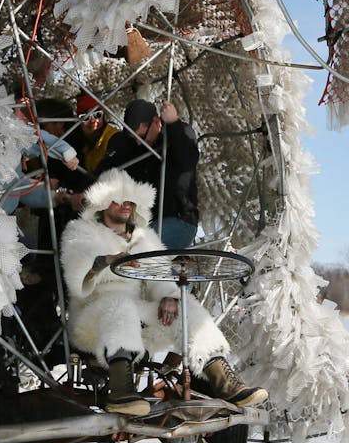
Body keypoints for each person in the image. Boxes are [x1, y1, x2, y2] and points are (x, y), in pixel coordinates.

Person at [60, 168, 267, 415]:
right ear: (103, 203)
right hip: (94, 318)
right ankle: (121, 391)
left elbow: (161, 276)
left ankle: (224, 380)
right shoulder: (80, 230)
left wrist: (169, 297)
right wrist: (107, 260)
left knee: (185, 305)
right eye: (118, 200)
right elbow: (78, 275)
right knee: (120, 305)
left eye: (130, 200)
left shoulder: (144, 237)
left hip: (138, 317)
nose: (126, 205)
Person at [100, 98, 201, 250]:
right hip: (143, 222)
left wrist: (173, 123)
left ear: (156, 122)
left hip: (178, 220)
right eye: (134, 138)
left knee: (132, 250)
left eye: (141, 136)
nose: (139, 142)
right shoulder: (134, 146)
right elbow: (107, 171)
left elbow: (187, 160)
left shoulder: (179, 133)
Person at [70, 93, 120, 175]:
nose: (93, 121)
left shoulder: (115, 138)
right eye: (85, 117)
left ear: (103, 117)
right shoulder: (84, 148)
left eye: (97, 114)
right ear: (79, 123)